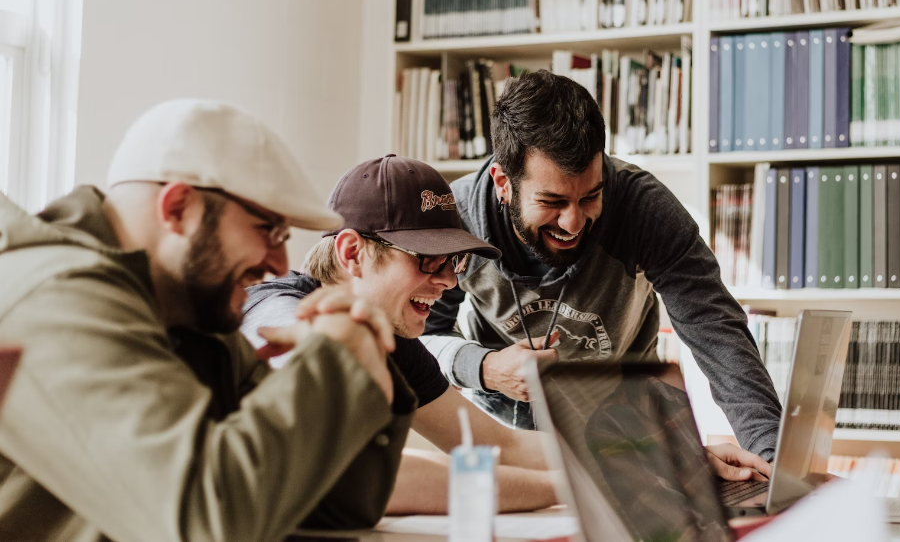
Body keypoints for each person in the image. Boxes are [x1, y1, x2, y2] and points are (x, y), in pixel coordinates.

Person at [244, 155, 773, 513]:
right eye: (429, 260)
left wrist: (663, 457)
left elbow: (496, 446)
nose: (449, 281)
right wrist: (602, 484)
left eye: (453, 263)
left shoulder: (391, 337)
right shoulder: (278, 316)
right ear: (353, 253)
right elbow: (363, 475)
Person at [0, 100, 413, 542]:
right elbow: (205, 522)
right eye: (268, 230)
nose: (279, 264)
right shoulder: (59, 298)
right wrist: (334, 364)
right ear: (178, 207)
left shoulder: (189, 311)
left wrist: (363, 357)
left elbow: (330, 507)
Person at [421, 69, 784, 464]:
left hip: (625, 430)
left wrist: (771, 461)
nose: (573, 223)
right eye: (552, 202)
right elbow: (420, 338)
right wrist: (484, 367)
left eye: (590, 196)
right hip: (504, 438)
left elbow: (718, 334)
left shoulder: (645, 209)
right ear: (503, 182)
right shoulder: (457, 222)